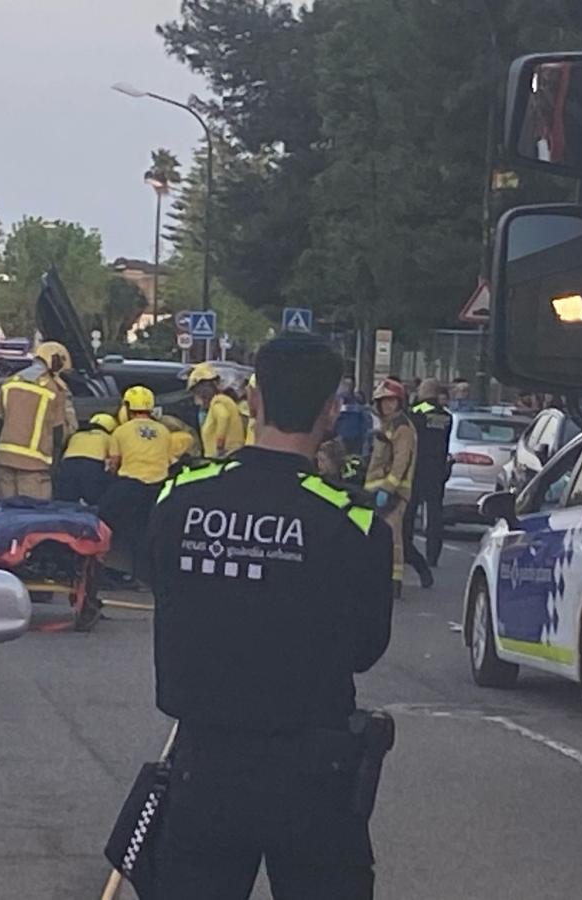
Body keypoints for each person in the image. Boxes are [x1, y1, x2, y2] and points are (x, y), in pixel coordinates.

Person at [148, 331, 394, 899]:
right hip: (314, 773)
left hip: (204, 766)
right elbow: (365, 649)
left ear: (253, 401)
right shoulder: (353, 523)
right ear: (331, 412)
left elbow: (162, 586)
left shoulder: (180, 499)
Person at [99, 386, 173, 580]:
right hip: (158, 489)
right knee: (145, 532)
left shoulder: (120, 431)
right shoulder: (164, 431)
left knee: (103, 521)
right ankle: (144, 576)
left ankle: (105, 570)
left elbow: (114, 463)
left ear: (127, 407)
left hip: (129, 486)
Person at [0, 341, 74, 500]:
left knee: (8, 516)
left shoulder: (9, 384)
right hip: (35, 467)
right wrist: (56, 463)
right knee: (33, 518)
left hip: (5, 461)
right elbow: (58, 432)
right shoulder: (54, 390)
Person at [365, 377, 417, 599]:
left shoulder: (402, 427)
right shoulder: (387, 425)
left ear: (399, 402)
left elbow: (401, 460)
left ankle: (394, 582)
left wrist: (388, 488)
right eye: (383, 401)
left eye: (391, 401)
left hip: (394, 493)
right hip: (376, 490)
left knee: (393, 537)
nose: (387, 405)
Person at [405, 379, 452, 587]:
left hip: (417, 468)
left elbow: (408, 425)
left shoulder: (417, 410)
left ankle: (407, 547)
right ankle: (433, 554)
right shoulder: (446, 416)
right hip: (437, 470)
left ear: (425, 391)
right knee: (434, 514)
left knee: (409, 511)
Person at [55, 412, 117, 505]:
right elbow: (114, 460)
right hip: (92, 465)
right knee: (94, 501)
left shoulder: (75, 436)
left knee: (65, 501)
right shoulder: (108, 437)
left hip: (69, 464)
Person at [188, 361, 246, 458]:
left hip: (223, 456)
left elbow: (223, 416)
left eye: (197, 391)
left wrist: (220, 445)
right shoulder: (224, 401)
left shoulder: (218, 402)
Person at [335, 377, 372, 457]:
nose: (348, 387)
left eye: (350, 385)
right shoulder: (337, 400)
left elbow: (364, 419)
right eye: (346, 384)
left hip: (356, 437)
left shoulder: (358, 401)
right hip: (341, 437)